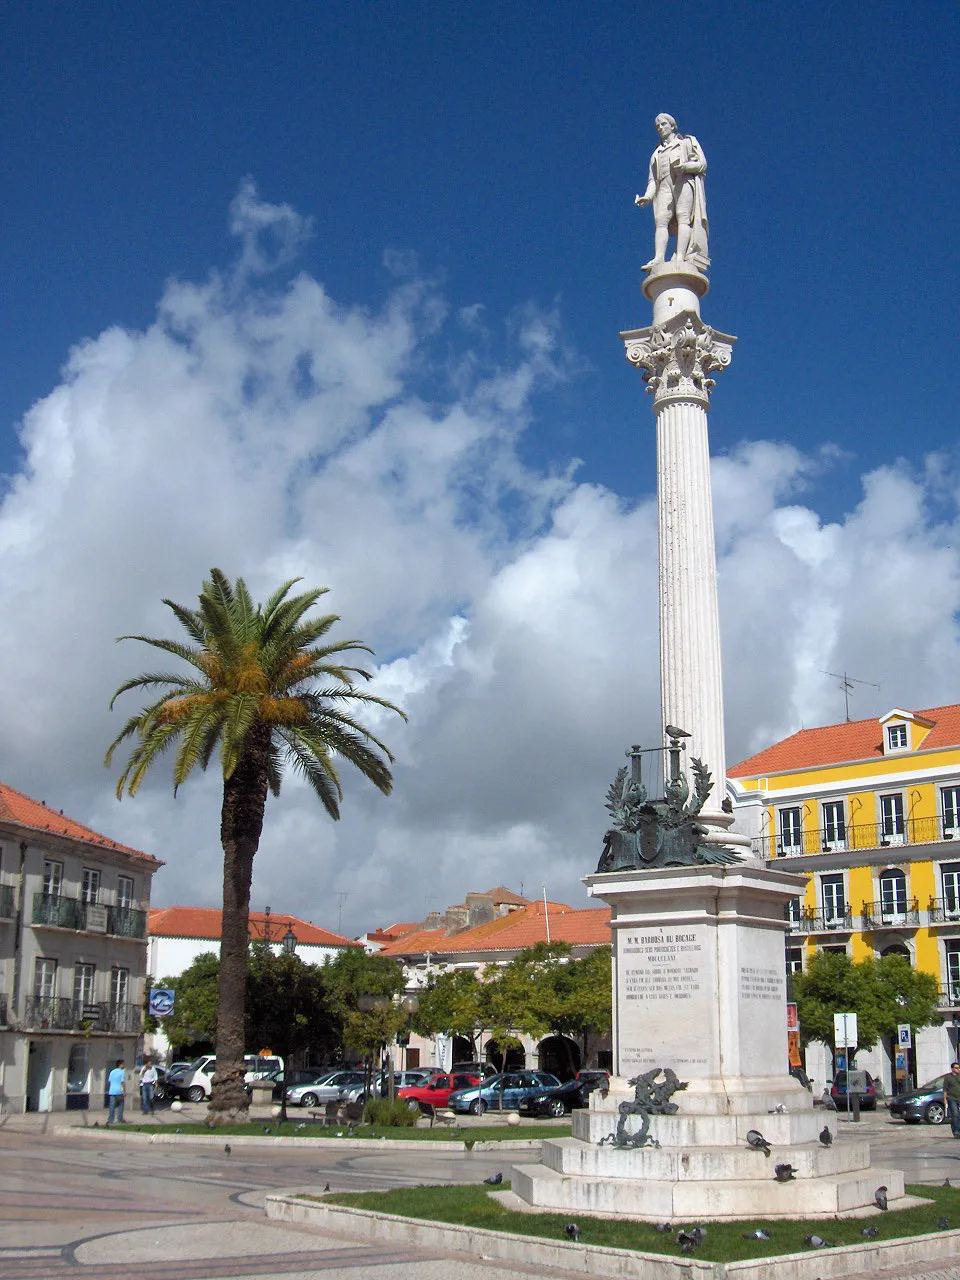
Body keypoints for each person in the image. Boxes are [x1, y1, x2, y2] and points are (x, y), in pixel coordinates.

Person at [635, 113, 710, 272]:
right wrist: (647, 197)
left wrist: (685, 167)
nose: (660, 128)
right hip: (664, 186)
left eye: (663, 124)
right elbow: (652, 181)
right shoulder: (656, 154)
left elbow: (702, 164)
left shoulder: (687, 143)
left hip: (683, 180)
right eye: (658, 126)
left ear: (672, 125)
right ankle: (659, 258)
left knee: (684, 217)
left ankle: (680, 257)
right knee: (661, 221)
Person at [107, 1058, 126, 1125]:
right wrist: (124, 1091)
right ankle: (120, 1118)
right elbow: (122, 1082)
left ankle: (110, 1120)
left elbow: (109, 1081)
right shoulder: (122, 1072)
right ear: (120, 1065)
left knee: (112, 1106)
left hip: (112, 1091)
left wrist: (110, 1088)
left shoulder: (112, 1072)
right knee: (121, 1105)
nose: (124, 1065)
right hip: (119, 1091)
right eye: (123, 1064)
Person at [943, 1061, 960, 1136]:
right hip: (951, 1098)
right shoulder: (948, 1077)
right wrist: (945, 1099)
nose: (958, 1069)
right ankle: (956, 1131)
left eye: (959, 1068)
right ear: (952, 1069)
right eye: (956, 1068)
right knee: (955, 1114)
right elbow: (945, 1089)